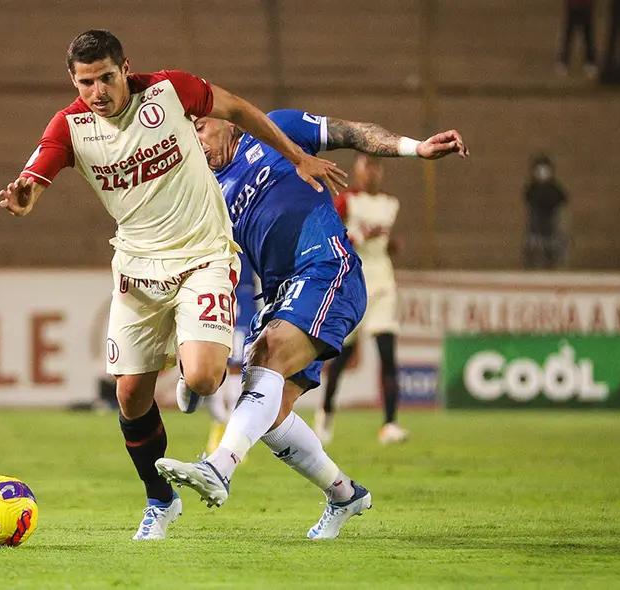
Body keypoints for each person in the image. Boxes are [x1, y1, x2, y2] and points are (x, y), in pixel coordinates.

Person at [0, 30, 345, 541]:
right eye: (86, 82)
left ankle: (188, 361)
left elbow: (241, 110)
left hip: (203, 254)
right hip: (137, 268)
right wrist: (27, 194)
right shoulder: (71, 127)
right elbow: (37, 170)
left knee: (205, 380)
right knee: (131, 397)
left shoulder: (170, 91)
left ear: (125, 68)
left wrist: (296, 155)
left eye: (107, 78)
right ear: (73, 81)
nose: (98, 91)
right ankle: (160, 501)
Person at [155, 109, 467, 539]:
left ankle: (219, 468)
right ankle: (344, 495)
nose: (197, 140)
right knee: (270, 409)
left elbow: (354, 131)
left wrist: (415, 147)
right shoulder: (209, 193)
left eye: (201, 127)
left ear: (228, 120)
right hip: (283, 292)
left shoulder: (275, 130)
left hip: (326, 267)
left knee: (268, 359)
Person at [318, 154, 407, 446]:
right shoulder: (347, 202)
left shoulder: (390, 204)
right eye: (366, 167)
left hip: (382, 283)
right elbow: (328, 233)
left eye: (376, 167)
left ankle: (390, 423)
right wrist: (357, 236)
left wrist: (391, 244)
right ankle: (326, 411)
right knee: (342, 356)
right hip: (354, 283)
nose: (372, 173)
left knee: (388, 354)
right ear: (357, 171)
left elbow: (384, 244)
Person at [205, 252, 257, 454]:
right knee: (218, 360)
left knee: (238, 361)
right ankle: (218, 426)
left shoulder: (247, 224)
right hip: (216, 291)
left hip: (244, 293)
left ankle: (234, 436)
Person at [523, 154, 568, 269]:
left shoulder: (555, 190)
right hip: (535, 231)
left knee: (555, 248)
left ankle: (552, 267)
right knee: (532, 246)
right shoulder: (532, 190)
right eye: (539, 169)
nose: (542, 172)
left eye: (545, 169)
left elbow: (562, 203)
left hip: (553, 230)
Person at [557, 0, 598, 79]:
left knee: (587, 33)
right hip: (575, 4)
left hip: (585, 5)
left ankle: (590, 60)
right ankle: (564, 60)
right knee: (570, 33)